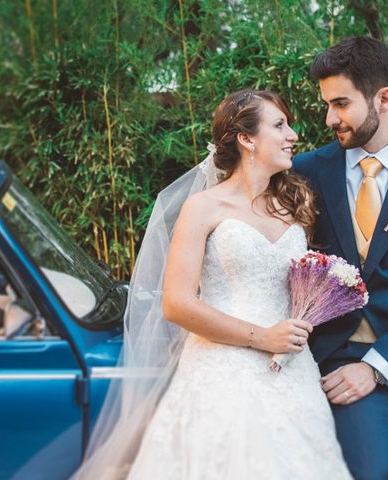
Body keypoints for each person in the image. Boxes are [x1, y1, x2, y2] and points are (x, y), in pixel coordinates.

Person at [75, 90, 351, 479]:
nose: (293, 134)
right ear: (246, 138)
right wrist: (262, 337)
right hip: (222, 372)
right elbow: (177, 304)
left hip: (292, 373)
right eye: (279, 125)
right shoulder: (203, 208)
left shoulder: (295, 206)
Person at [293, 36, 388, 479]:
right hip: (341, 364)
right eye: (327, 104)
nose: (331, 118)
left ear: (383, 98)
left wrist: (380, 364)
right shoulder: (306, 172)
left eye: (342, 103)